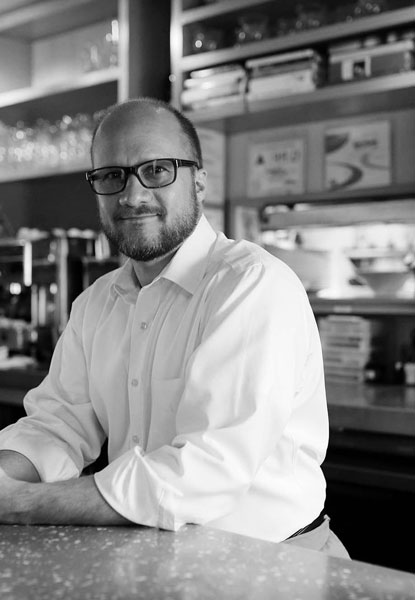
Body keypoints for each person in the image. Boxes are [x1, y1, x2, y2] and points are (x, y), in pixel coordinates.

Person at [0, 98, 348, 557]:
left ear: (199, 182)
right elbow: (57, 424)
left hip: (274, 564)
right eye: (111, 175)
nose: (132, 195)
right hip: (158, 558)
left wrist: (25, 504)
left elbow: (206, 469)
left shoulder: (252, 285)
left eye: (158, 170)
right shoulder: (97, 302)